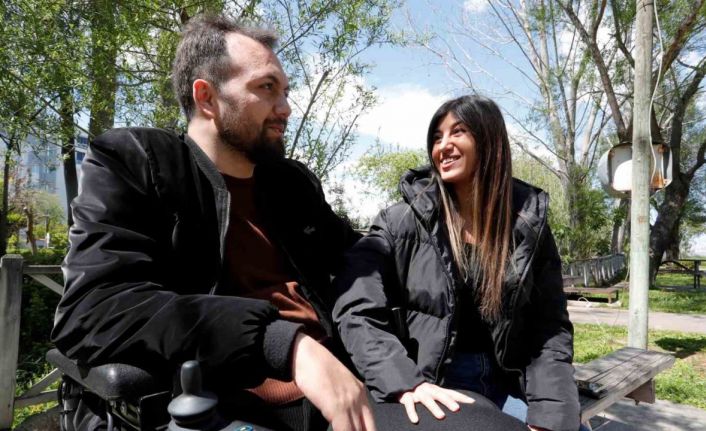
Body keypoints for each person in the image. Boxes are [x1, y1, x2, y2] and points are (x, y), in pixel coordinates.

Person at [51, 14, 374, 431]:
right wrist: (282, 342)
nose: (285, 108)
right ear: (206, 97)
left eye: (286, 91)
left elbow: (360, 256)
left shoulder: (292, 184)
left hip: (348, 385)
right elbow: (93, 309)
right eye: (266, 88)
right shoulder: (136, 161)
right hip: (220, 406)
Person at [333, 95, 582, 431]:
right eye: (437, 137)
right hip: (433, 384)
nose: (443, 146)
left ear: (489, 141)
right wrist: (404, 381)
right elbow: (355, 307)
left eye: (458, 132)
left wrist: (551, 417)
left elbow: (550, 328)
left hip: (509, 382)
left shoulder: (527, 227)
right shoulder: (398, 223)